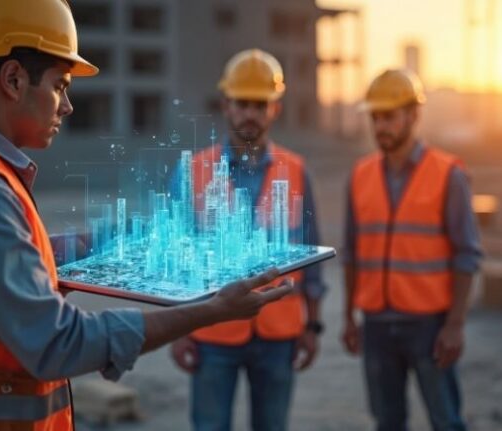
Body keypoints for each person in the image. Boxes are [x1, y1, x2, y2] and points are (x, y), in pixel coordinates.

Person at [0, 2, 292, 430]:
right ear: (13, 79)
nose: (67, 106)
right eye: (61, 84)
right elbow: (59, 343)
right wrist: (209, 311)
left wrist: (102, 240)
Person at [170, 49, 327, 431]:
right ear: (226, 105)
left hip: (279, 333)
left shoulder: (296, 171)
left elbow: (312, 256)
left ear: (275, 108)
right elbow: (176, 259)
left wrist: (313, 326)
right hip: (212, 331)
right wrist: (177, 332)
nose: (250, 114)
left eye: (260, 104)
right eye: (243, 103)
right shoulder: (193, 170)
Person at [341, 69, 483, 431]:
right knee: (387, 422)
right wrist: (348, 316)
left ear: (414, 115)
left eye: (388, 116)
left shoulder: (447, 174)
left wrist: (454, 325)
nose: (380, 126)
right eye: (375, 117)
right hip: (376, 324)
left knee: (445, 420)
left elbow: (467, 254)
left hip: (429, 325)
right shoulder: (360, 175)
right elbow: (352, 253)